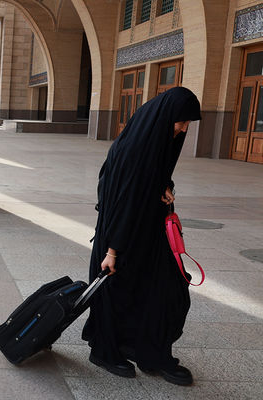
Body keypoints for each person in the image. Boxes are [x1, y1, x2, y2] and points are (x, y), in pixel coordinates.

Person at [82, 87, 201, 386]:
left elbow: (152, 179)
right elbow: (124, 202)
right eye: (181, 122)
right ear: (165, 118)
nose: (183, 129)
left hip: (148, 236)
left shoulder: (153, 143)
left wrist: (166, 186)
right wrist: (112, 251)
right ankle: (105, 351)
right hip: (121, 239)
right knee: (118, 293)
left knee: (168, 291)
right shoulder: (136, 150)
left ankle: (149, 351)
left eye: (187, 124)